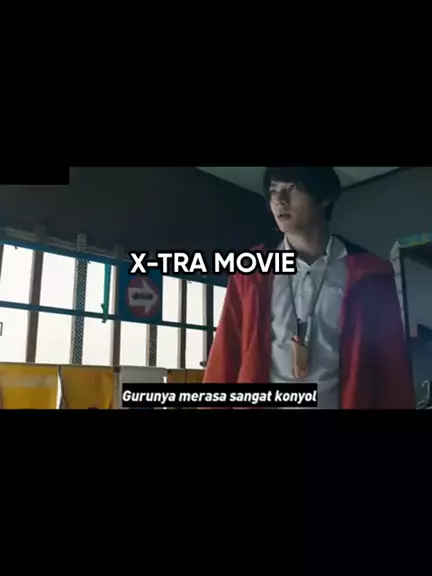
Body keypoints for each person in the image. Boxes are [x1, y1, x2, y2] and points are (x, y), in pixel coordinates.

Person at [204, 166, 415, 409]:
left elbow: (392, 371)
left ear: (325, 197)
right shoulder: (250, 273)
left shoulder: (371, 275)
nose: (279, 200)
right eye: (273, 191)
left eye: (292, 188)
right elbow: (225, 356)